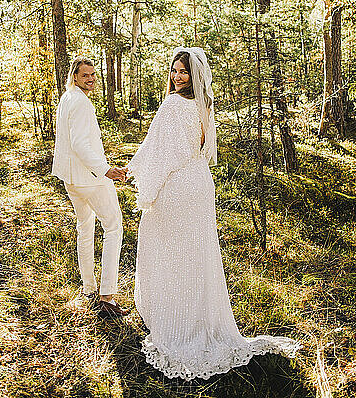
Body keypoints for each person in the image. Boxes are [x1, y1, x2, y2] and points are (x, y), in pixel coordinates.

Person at [128, 47, 300, 380]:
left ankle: (176, 324)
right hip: (200, 183)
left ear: (195, 75)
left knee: (172, 253)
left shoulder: (173, 105)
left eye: (184, 71)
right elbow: (201, 150)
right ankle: (200, 319)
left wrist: (145, 186)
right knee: (197, 255)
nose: (178, 77)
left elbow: (161, 155)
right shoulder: (204, 105)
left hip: (178, 187)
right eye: (175, 70)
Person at [52, 56, 129, 318]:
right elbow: (80, 145)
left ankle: (88, 288)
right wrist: (106, 170)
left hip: (70, 179)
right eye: (85, 75)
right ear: (74, 76)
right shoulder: (81, 103)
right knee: (113, 226)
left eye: (93, 75)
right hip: (89, 178)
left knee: (85, 228)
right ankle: (107, 295)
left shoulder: (67, 98)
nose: (91, 79)